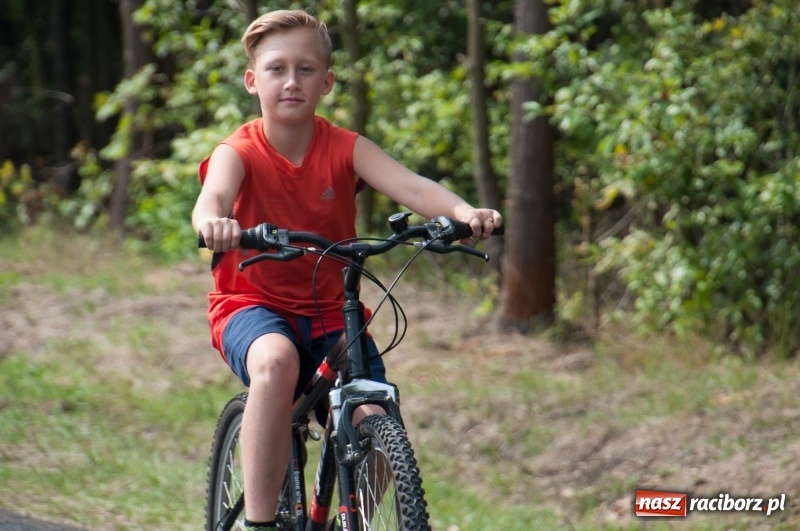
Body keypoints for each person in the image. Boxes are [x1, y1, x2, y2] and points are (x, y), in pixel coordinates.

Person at [192, 9, 502, 531]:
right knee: (275, 364)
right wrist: (214, 224)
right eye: (277, 69)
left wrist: (463, 213)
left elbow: (414, 187)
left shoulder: (345, 147)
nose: (292, 81)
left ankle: (349, 517)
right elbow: (211, 200)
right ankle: (259, 525)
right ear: (253, 80)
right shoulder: (238, 151)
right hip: (251, 304)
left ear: (328, 82)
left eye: (307, 69)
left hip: (331, 311)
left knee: (377, 420)